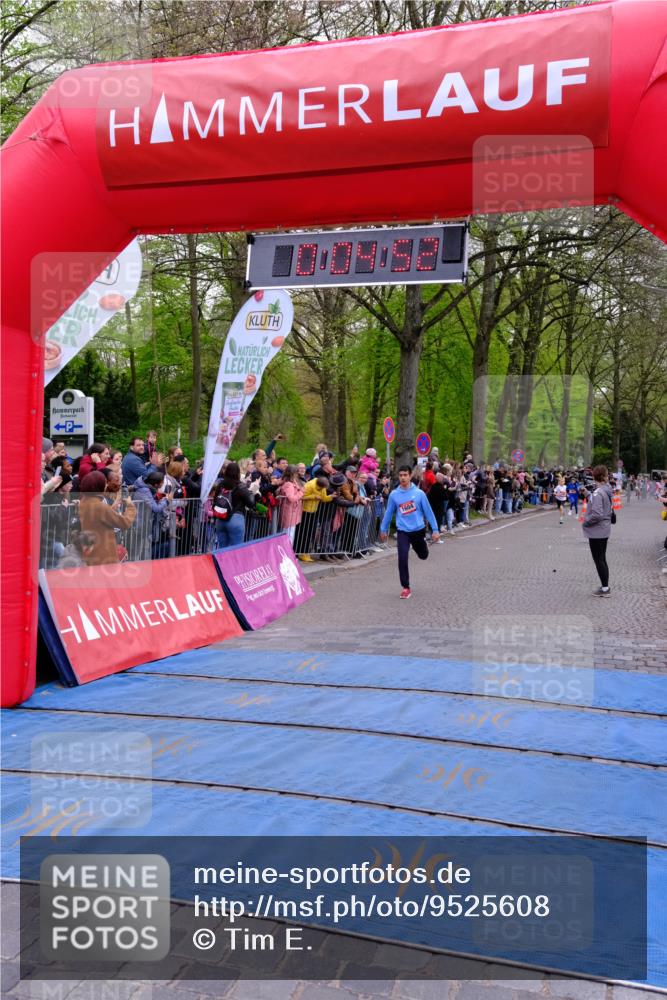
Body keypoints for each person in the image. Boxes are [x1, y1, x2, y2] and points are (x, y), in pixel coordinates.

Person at [379, 465, 439, 599]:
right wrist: (383, 529)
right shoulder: (394, 495)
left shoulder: (419, 494)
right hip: (403, 531)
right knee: (402, 557)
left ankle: (423, 547)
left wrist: (435, 530)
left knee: (423, 555)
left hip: (418, 530)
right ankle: (405, 587)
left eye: (405, 475)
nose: (403, 478)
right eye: (400, 475)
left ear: (410, 476)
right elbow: (388, 513)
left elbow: (429, 512)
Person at [78, 471, 136, 565]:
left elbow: (101, 517)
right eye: (104, 483)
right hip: (104, 556)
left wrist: (114, 505)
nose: (106, 485)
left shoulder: (83, 502)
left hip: (90, 553)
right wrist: (130, 506)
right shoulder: (100, 506)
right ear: (98, 486)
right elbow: (125, 523)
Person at [582, 465, 614, 597]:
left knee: (599, 560)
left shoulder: (598, 493)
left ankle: (605, 589)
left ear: (594, 477)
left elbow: (596, 514)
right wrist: (587, 494)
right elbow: (599, 501)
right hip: (604, 528)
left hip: (597, 531)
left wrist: (586, 521)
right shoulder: (606, 489)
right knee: (602, 558)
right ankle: (605, 586)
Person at [211, 461, 257, 549]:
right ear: (238, 473)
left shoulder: (220, 485)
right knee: (235, 550)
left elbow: (215, 499)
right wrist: (252, 492)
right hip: (235, 518)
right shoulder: (240, 486)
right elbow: (251, 503)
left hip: (221, 519)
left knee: (222, 549)